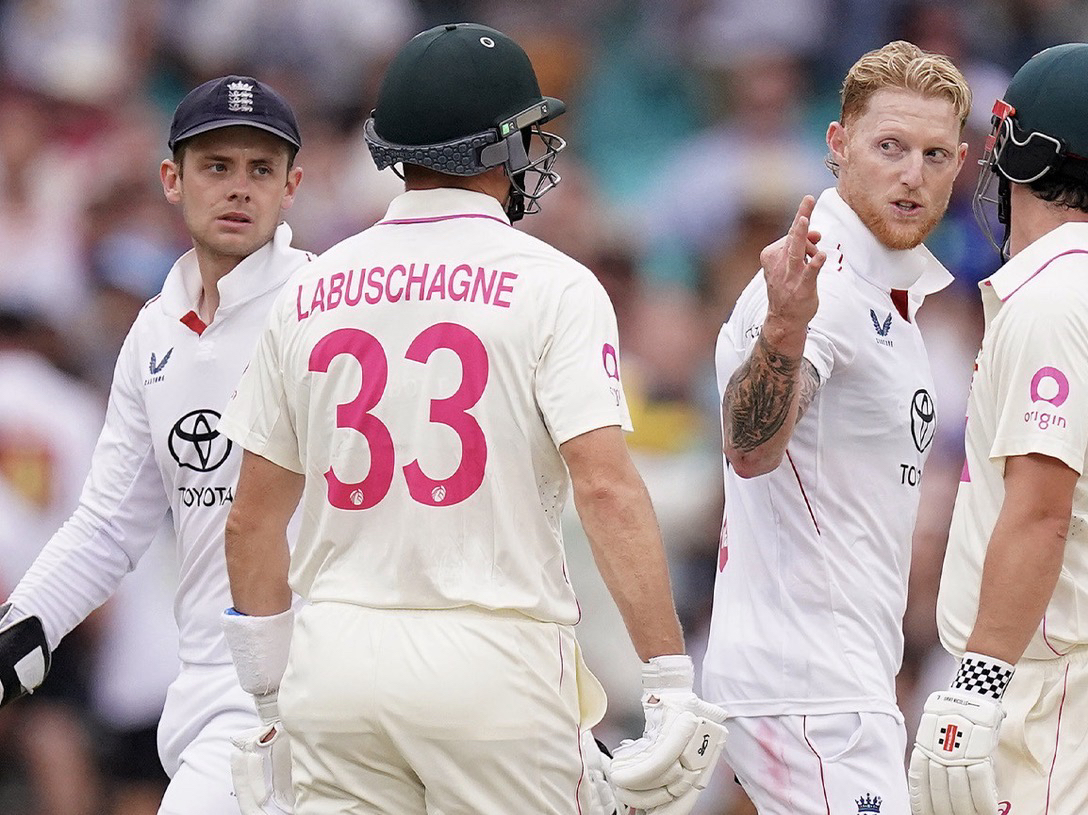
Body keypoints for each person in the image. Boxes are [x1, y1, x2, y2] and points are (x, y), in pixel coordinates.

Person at [216, 22, 726, 815]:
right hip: (494, 658)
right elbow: (605, 488)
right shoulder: (557, 285)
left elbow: (251, 518)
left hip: (334, 660)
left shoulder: (307, 289)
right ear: (499, 148)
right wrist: (667, 677)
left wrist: (269, 697)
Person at [0, 75, 310, 815]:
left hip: (321, 684)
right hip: (209, 685)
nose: (239, 188)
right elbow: (109, 524)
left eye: (261, 169)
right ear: (172, 179)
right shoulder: (153, 331)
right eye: (216, 166)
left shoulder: (323, 307)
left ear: (292, 187)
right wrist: (23, 628)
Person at [908, 44, 1088, 815]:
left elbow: (1040, 512)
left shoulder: (1054, 304)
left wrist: (976, 686)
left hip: (1068, 677)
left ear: (1015, 151)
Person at [702, 40, 968, 815]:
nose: (912, 174)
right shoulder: (828, 278)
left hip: (839, 680)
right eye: (890, 147)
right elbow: (750, 448)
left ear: (960, 164)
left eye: (934, 154)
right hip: (808, 686)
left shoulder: (886, 290)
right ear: (839, 143)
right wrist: (786, 327)